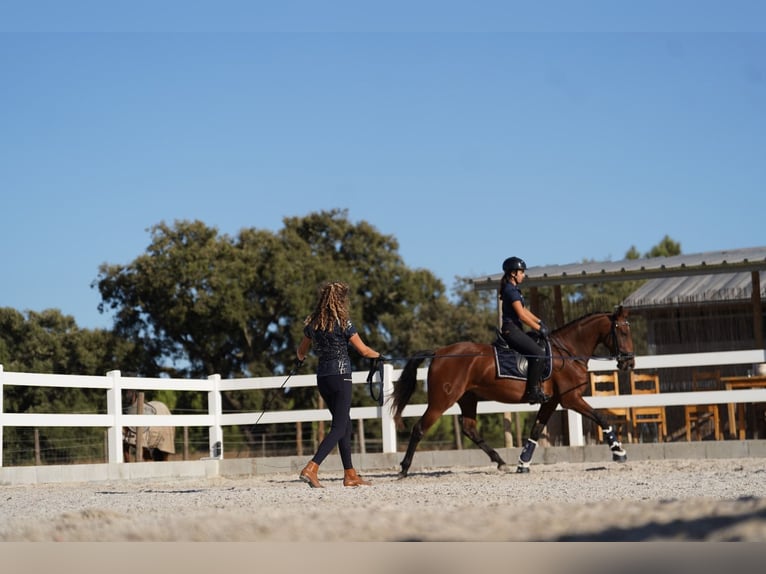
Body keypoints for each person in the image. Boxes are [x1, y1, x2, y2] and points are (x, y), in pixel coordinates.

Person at [296, 281, 382, 488]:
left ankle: (350, 474)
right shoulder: (344, 322)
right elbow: (363, 351)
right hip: (341, 375)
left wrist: (299, 360)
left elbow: (301, 352)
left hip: (323, 378)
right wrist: (380, 356)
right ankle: (312, 467)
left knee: (345, 423)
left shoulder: (314, 324)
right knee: (339, 426)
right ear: (341, 300)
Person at [498, 256, 550, 404]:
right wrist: (539, 328)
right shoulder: (510, 290)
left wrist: (539, 321)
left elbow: (524, 310)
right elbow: (521, 315)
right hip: (512, 330)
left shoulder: (514, 290)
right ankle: (532, 391)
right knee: (539, 353)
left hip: (516, 330)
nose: (523, 275)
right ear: (513, 273)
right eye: (521, 272)